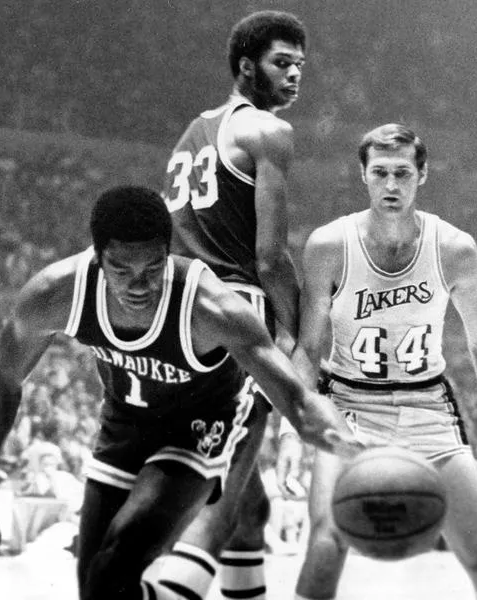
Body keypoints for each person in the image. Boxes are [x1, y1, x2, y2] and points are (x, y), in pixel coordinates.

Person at [0, 186, 361, 599]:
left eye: (152, 269)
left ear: (169, 253)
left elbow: (298, 402)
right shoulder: (55, 293)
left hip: (201, 427)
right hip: (123, 425)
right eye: (121, 270)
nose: (138, 285)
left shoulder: (212, 307)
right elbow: (1, 386)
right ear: (97, 259)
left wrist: (355, 453)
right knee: (99, 590)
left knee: (113, 568)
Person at [288, 124, 477, 600]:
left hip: (428, 406)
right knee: (327, 544)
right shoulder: (329, 245)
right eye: (379, 173)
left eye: (401, 173)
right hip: (349, 404)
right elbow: (309, 349)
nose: (391, 185)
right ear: (363, 175)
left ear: (422, 174)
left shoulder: (455, 248)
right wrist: (292, 428)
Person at [159, 10, 306, 599]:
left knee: (250, 509)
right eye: (281, 62)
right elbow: (270, 257)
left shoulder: (192, 132)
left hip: (179, 315)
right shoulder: (268, 133)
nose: (295, 75)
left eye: (300, 65)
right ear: (247, 66)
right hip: (234, 312)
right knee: (225, 483)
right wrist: (291, 338)